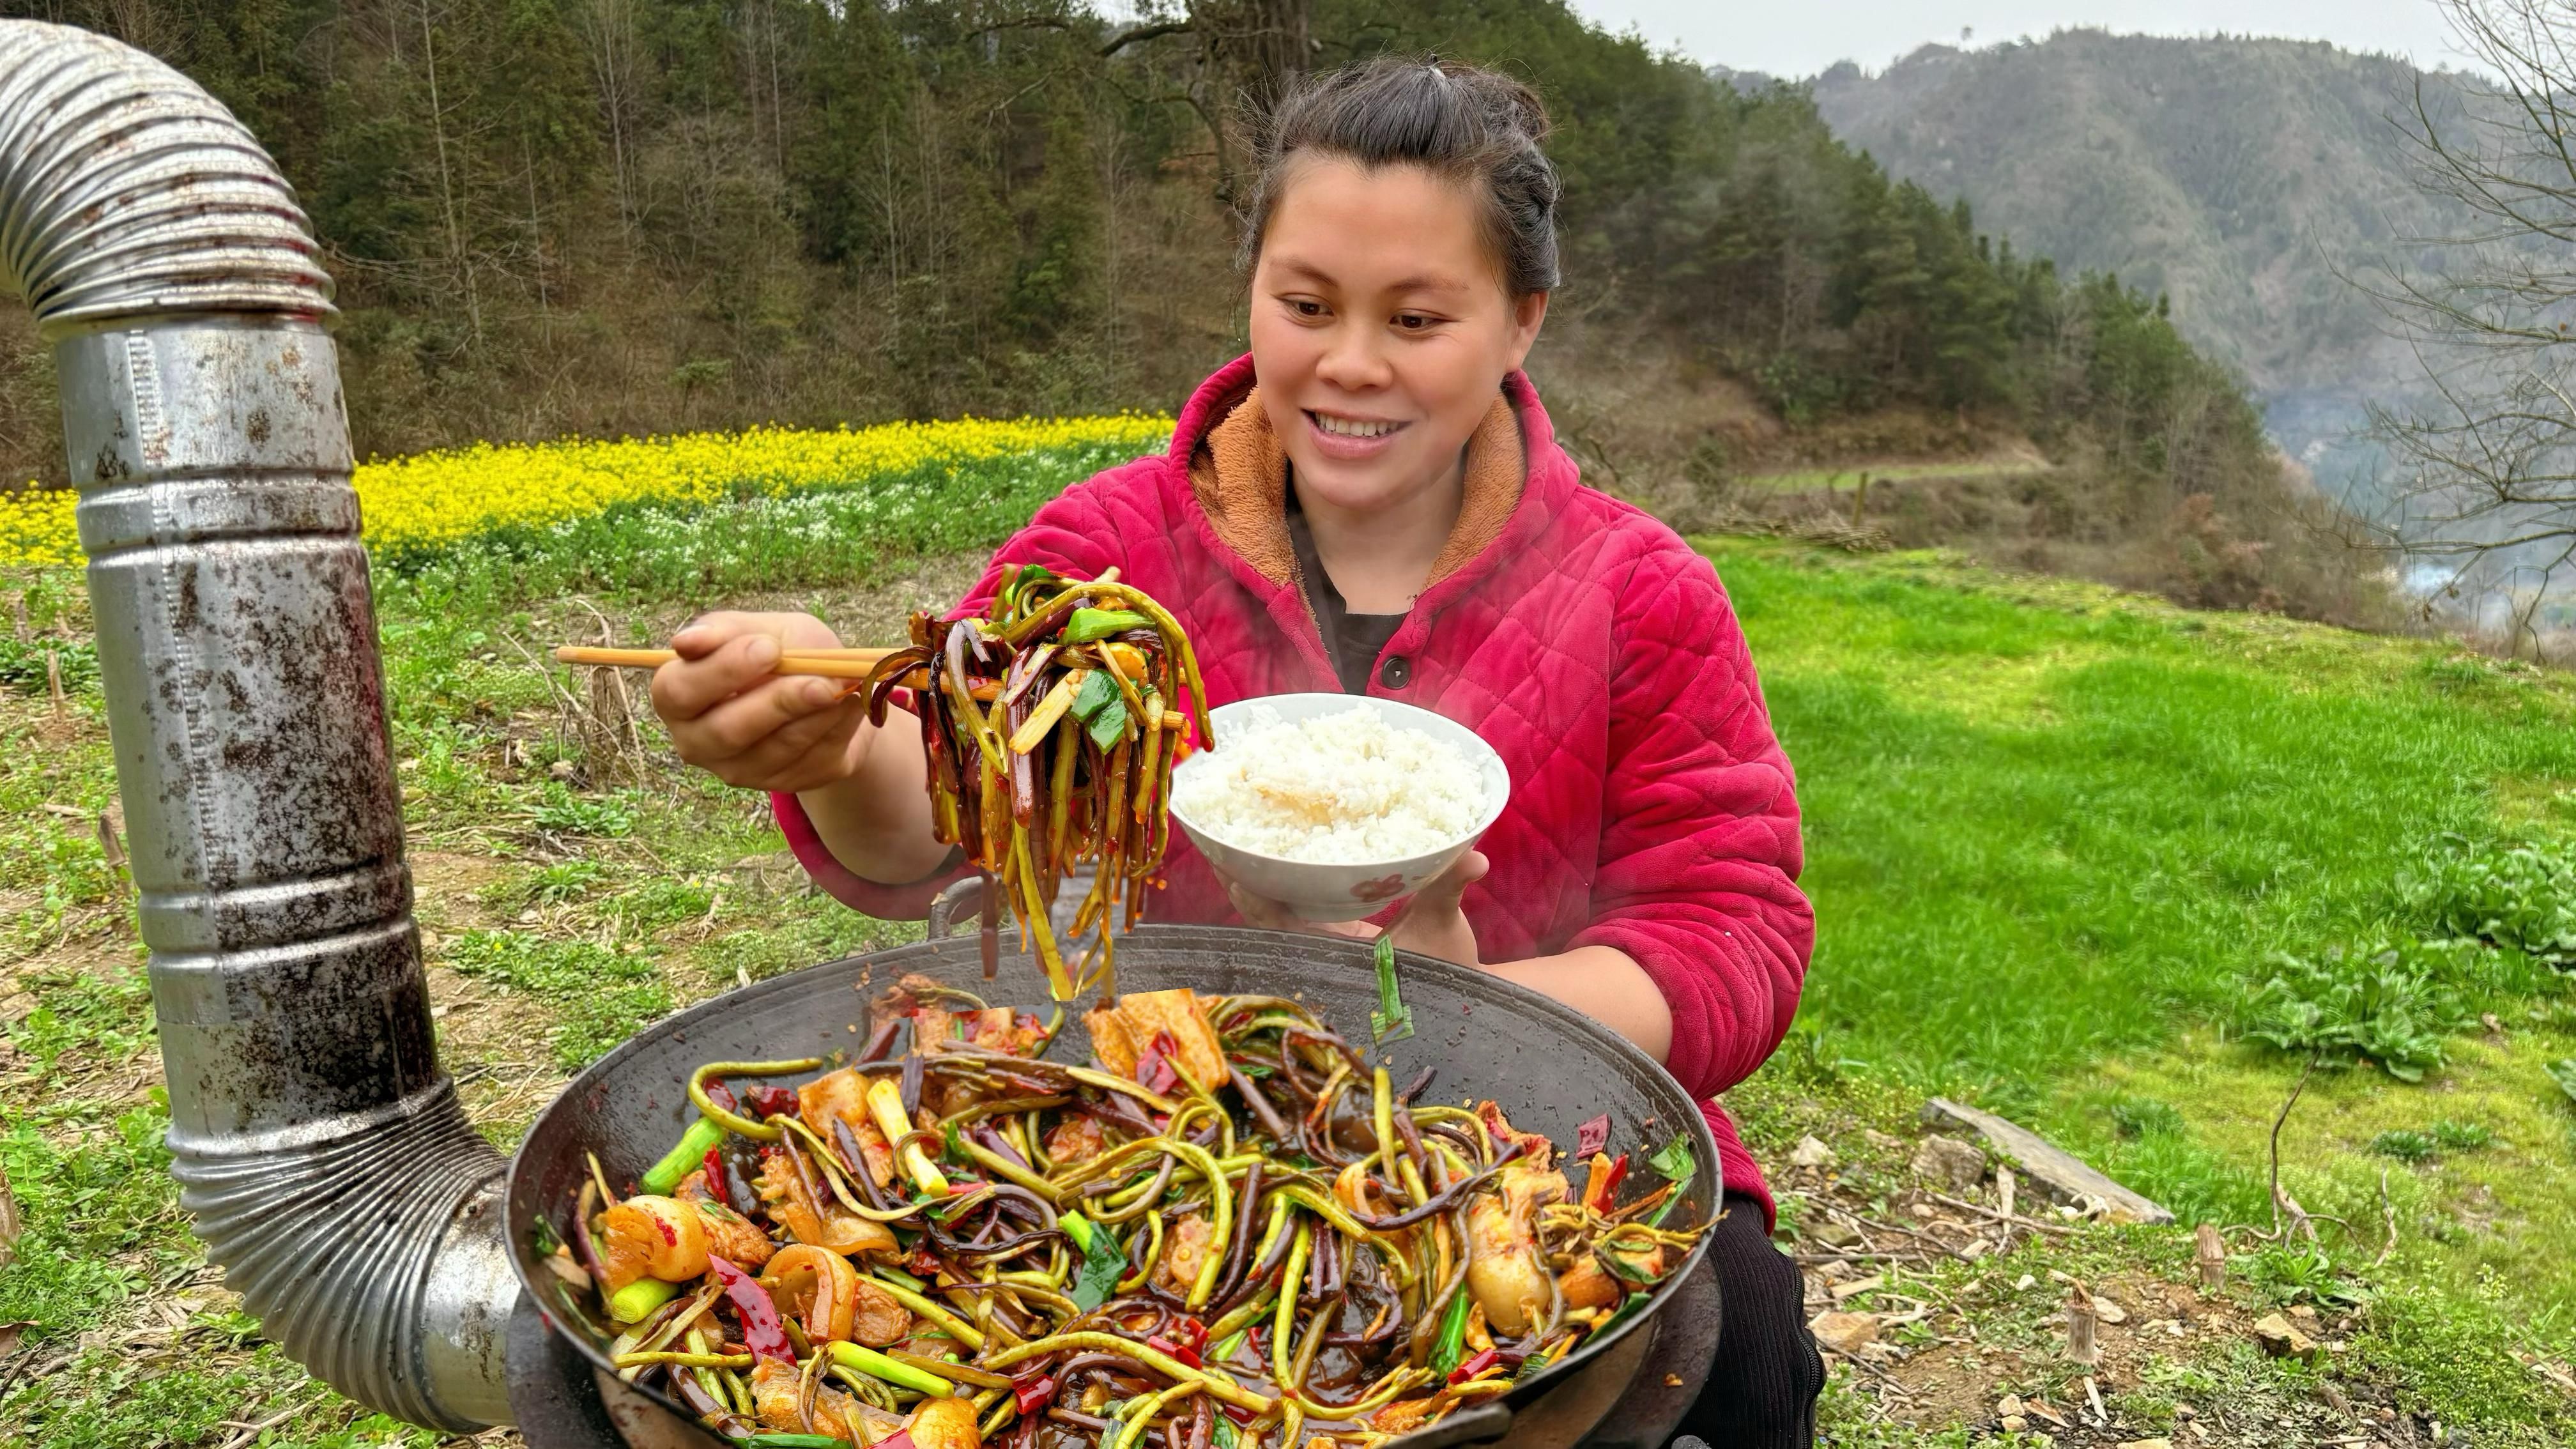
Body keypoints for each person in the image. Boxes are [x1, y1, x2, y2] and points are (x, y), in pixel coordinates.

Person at [647, 56, 1823, 1448]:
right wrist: (833, 748)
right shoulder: (1101, 557)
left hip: (1532, 1126)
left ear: (1523, 322)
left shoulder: (1639, 589)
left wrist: (1493, 1002)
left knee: (1743, 1351)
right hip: (1116, 1113)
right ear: (1252, 288)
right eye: (1306, 304)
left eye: (1420, 317)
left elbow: (1735, 929)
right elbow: (944, 822)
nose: (1351, 363)